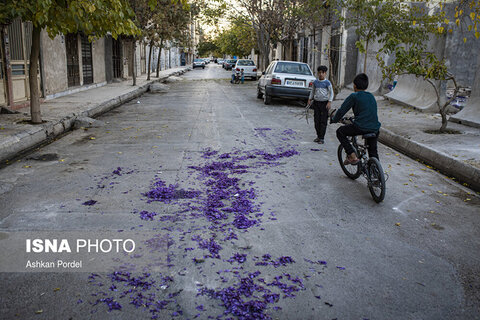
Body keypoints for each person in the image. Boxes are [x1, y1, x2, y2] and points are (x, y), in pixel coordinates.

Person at [330, 73, 381, 165]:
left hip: (361, 126)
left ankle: (352, 156)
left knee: (340, 132)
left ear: (354, 85)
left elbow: (342, 111)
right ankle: (376, 173)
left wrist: (334, 119)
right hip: (375, 128)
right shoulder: (371, 96)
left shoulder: (354, 96)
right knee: (373, 151)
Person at [307, 65, 334, 144]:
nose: (321, 74)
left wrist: (329, 102)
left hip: (324, 103)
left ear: (325, 73)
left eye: (323, 73)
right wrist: (309, 99)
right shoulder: (315, 82)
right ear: (318, 73)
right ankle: (318, 136)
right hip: (316, 103)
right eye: (319, 73)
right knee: (316, 120)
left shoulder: (327, 83)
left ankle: (322, 138)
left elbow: (331, 93)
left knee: (323, 121)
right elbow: (312, 91)